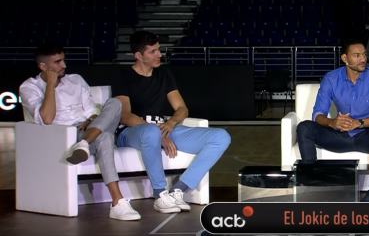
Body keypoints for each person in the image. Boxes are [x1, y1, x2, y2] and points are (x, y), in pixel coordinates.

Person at [112, 31, 231, 214]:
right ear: (138, 55)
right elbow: (125, 115)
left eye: (158, 50)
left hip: (162, 128)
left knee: (221, 137)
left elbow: (182, 109)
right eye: (152, 52)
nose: (159, 55)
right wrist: (157, 132)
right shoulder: (123, 76)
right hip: (132, 131)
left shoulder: (164, 75)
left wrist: (171, 123)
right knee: (151, 133)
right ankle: (160, 194)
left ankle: (178, 190)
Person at [19, 43, 141, 221]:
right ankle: (117, 202)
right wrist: (50, 87)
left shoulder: (76, 79)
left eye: (63, 60)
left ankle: (84, 145)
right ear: (43, 67)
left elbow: (91, 111)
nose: (64, 66)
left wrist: (90, 120)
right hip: (62, 136)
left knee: (115, 103)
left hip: (86, 130)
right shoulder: (29, 87)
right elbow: (46, 118)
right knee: (105, 136)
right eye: (57, 62)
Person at [296, 38, 369, 202]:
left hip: (365, 136)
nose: (362, 59)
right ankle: (310, 185)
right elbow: (317, 114)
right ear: (344, 59)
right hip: (338, 136)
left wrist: (359, 123)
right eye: (356, 55)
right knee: (304, 127)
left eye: (364, 55)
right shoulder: (331, 78)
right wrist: (332, 123)